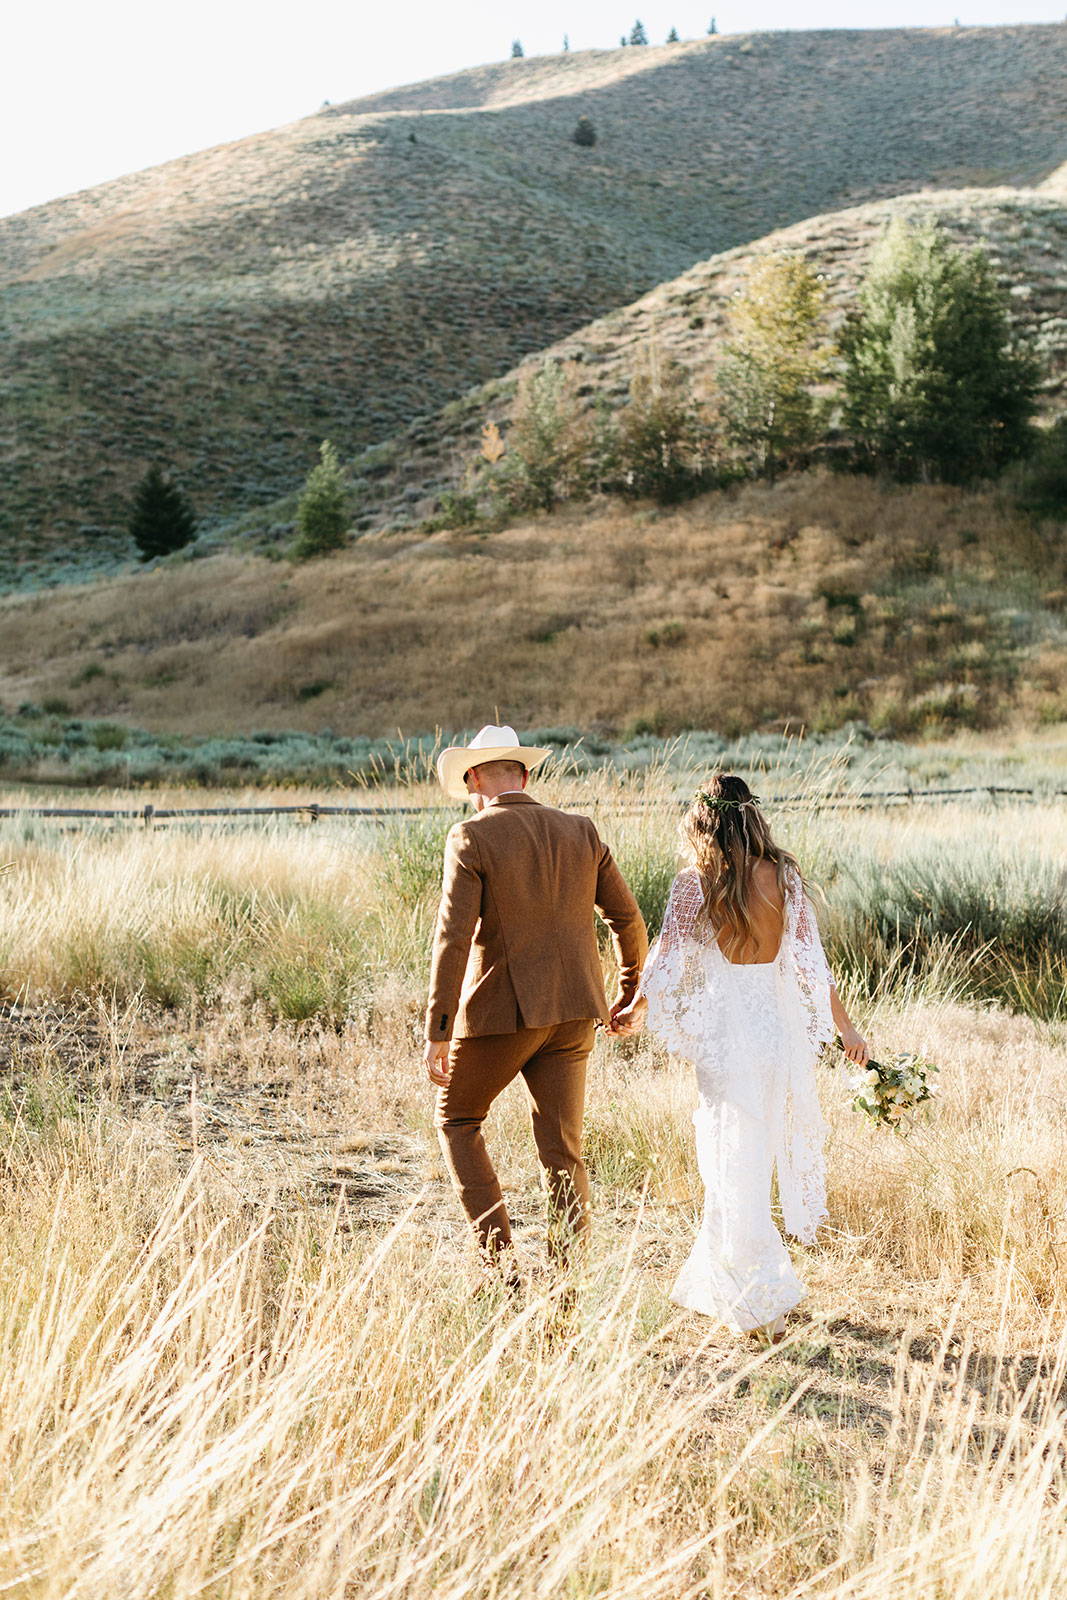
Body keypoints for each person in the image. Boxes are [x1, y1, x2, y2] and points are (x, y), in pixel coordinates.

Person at [612, 773, 869, 1342]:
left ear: (703, 822)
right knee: (746, 1163)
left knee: (731, 1164)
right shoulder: (786, 880)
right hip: (772, 1038)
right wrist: (848, 1029)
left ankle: (761, 1299)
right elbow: (811, 967)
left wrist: (635, 1006)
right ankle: (729, 1284)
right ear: (751, 817)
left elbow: (667, 959)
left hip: (727, 1042)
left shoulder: (694, 883)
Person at [424, 724, 647, 1281]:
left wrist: (439, 1029)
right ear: (524, 775)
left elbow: (452, 938)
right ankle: (566, 1289)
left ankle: (502, 1272)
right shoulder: (581, 831)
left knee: (457, 1119)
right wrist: (628, 988)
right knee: (563, 1151)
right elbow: (627, 917)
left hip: (502, 1013)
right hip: (576, 1013)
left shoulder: (471, 836)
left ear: (475, 779)